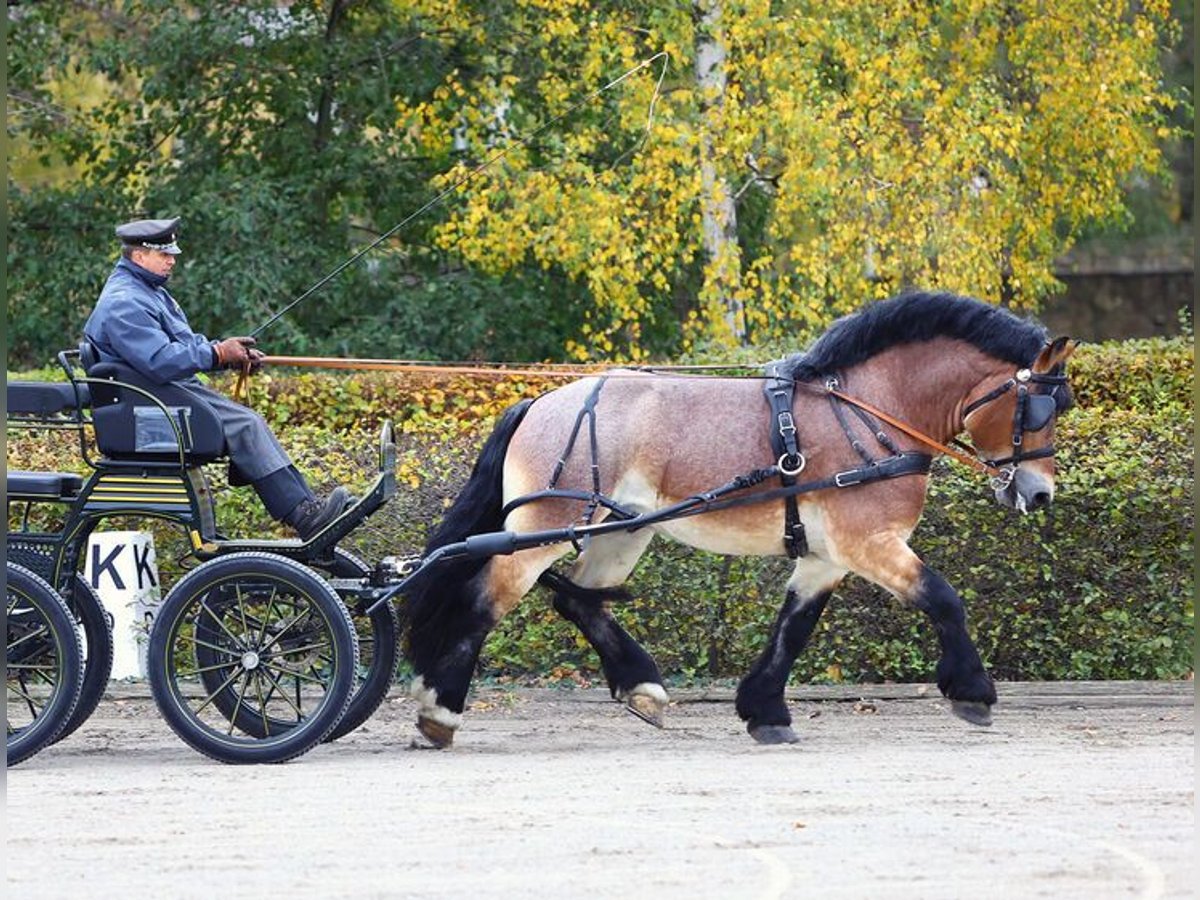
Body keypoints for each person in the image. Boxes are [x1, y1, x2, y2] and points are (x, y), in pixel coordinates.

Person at [83, 216, 349, 539]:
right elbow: (160, 360)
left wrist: (226, 355)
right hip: (150, 409)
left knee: (249, 420)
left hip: (164, 396)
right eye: (165, 255)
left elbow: (184, 344)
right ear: (139, 256)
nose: (172, 261)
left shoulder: (148, 292)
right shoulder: (124, 303)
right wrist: (218, 354)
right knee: (245, 424)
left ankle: (309, 508)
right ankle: (304, 516)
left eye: (173, 255)